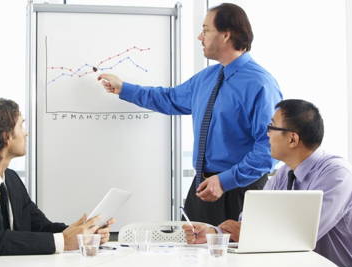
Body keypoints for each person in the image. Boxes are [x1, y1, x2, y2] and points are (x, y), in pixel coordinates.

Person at [98, 3, 282, 226]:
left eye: (205, 30)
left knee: (234, 257)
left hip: (239, 190)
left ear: (226, 35)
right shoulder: (208, 77)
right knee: (192, 256)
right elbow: (170, 98)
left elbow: (270, 149)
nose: (199, 37)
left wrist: (224, 181)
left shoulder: (259, 84)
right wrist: (124, 88)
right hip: (203, 187)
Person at [0, 97, 114, 266]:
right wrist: (65, 241)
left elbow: (40, 227)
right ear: (6, 136)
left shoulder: (11, 179)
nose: (26, 133)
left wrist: (83, 233)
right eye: (21, 126)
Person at [183, 99, 352, 267]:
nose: (267, 134)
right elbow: (251, 222)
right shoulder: (284, 172)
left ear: (292, 139)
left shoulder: (337, 175)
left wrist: (248, 234)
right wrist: (215, 234)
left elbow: (300, 237)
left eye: (272, 127)